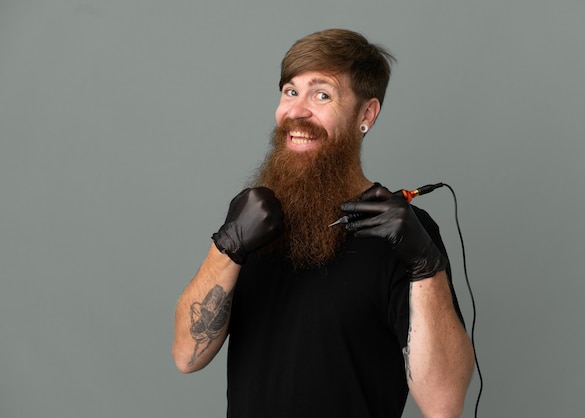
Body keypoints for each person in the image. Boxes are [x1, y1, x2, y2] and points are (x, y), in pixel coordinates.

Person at [172, 28, 474, 418]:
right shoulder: (251, 219)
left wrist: (425, 266)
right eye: (290, 91)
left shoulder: (406, 235)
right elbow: (186, 356)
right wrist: (227, 246)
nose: (296, 111)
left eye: (322, 94)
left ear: (366, 114)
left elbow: (444, 405)